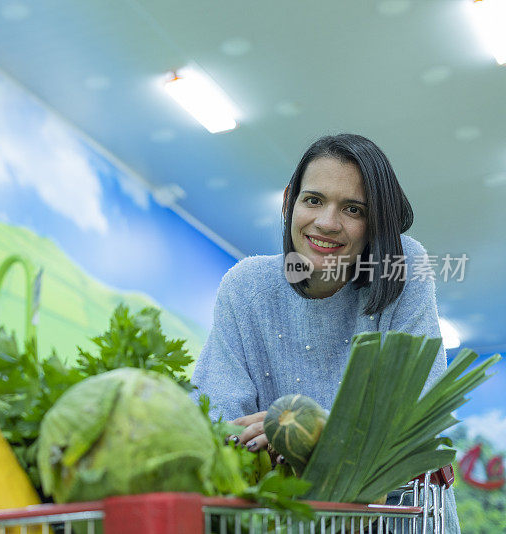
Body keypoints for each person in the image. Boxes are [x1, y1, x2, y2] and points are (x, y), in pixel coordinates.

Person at [190, 133, 459, 533]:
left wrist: (313, 432)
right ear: (288, 202)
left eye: (353, 209)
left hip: (398, 517)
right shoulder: (245, 286)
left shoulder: (403, 265)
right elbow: (219, 417)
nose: (328, 223)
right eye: (313, 200)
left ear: (375, 224)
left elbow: (422, 415)